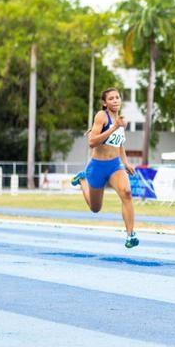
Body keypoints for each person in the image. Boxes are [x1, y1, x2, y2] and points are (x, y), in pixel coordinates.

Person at [71, 88, 139, 248]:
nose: (115, 100)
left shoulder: (121, 120)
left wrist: (126, 162)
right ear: (105, 103)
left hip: (115, 165)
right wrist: (113, 127)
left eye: (117, 97)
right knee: (95, 208)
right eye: (111, 98)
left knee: (127, 193)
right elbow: (92, 142)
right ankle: (82, 180)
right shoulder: (101, 116)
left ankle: (130, 235)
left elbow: (119, 143)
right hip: (97, 167)